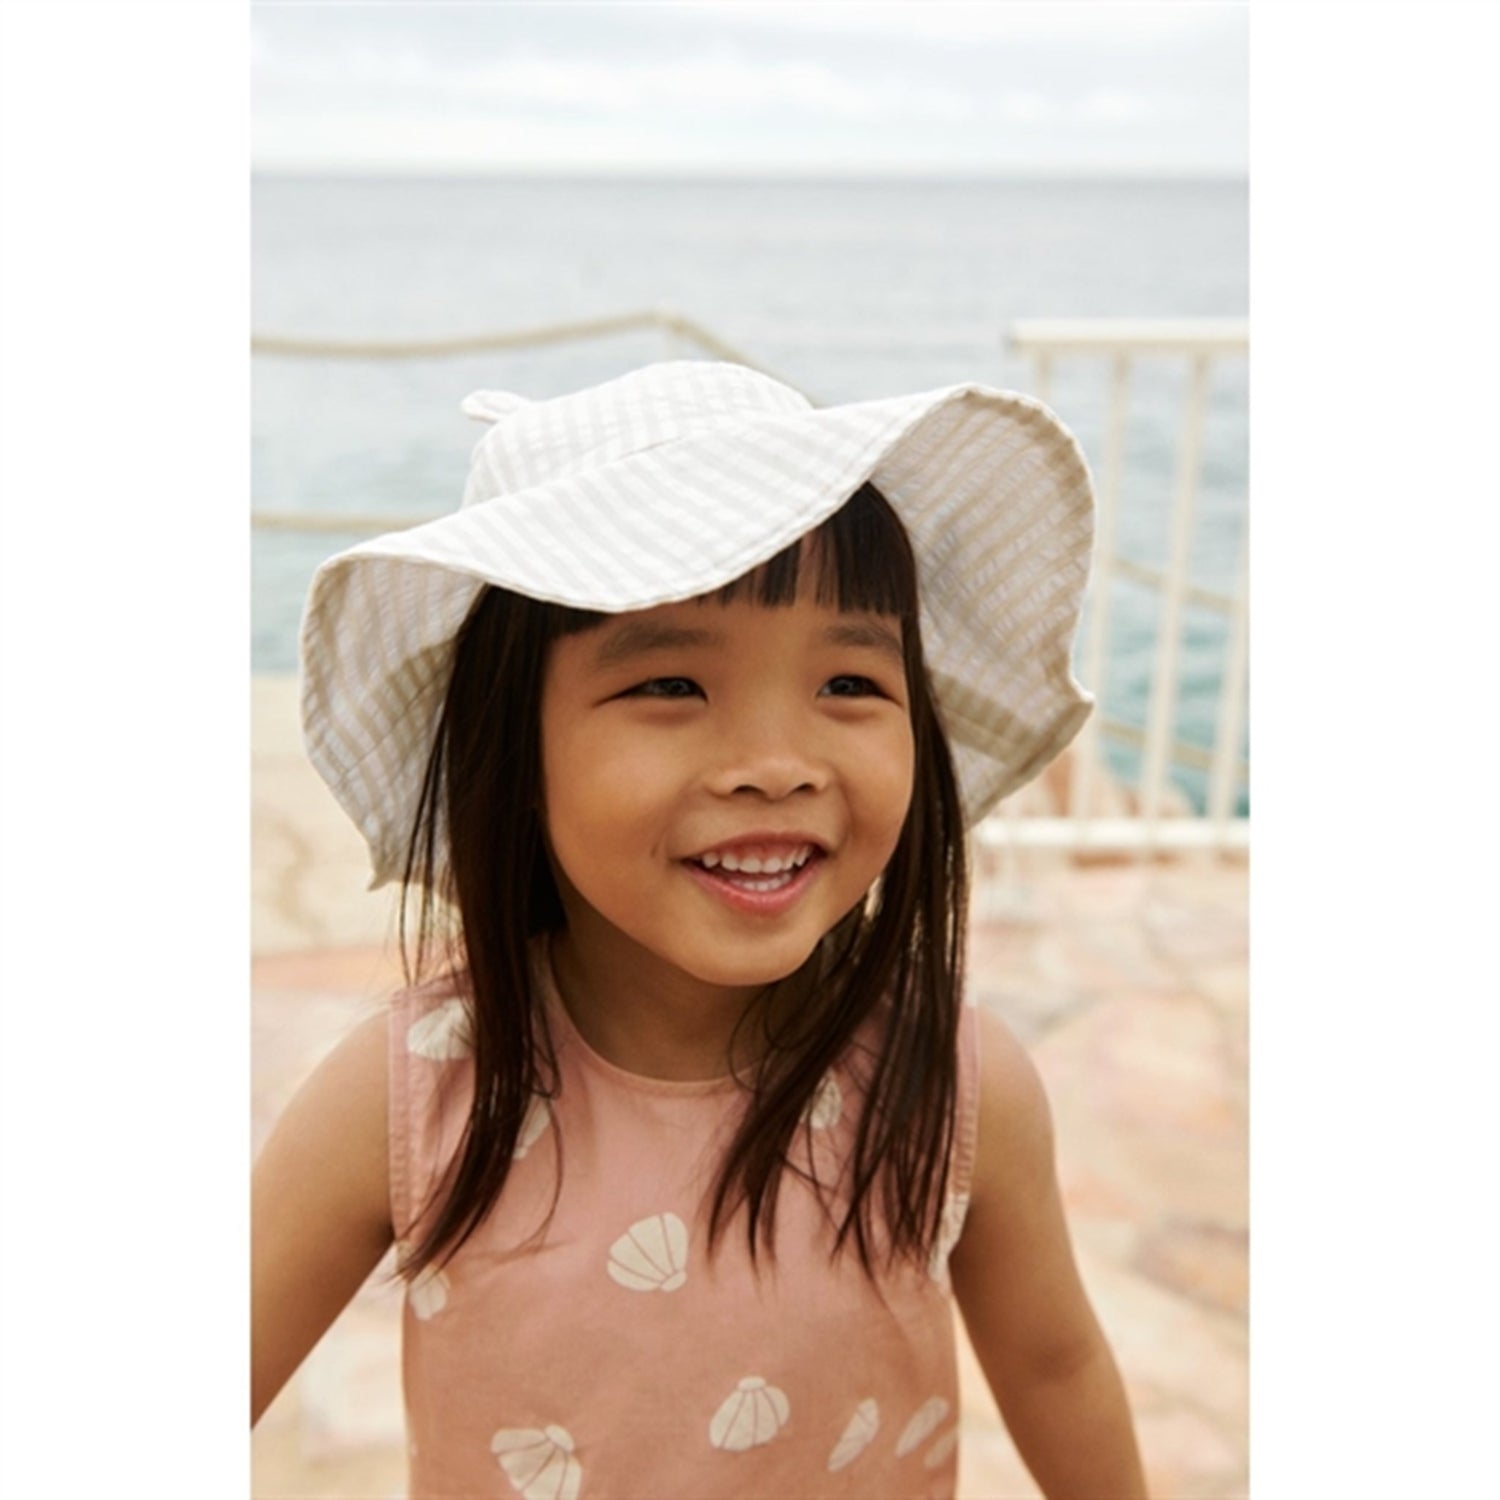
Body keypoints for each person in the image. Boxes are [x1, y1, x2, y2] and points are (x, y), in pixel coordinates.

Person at [252, 360, 1149, 1500]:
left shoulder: (953, 1086)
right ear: (512, 747)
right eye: (671, 685)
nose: (776, 765)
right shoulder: (414, 1097)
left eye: (849, 683)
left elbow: (1055, 1365)